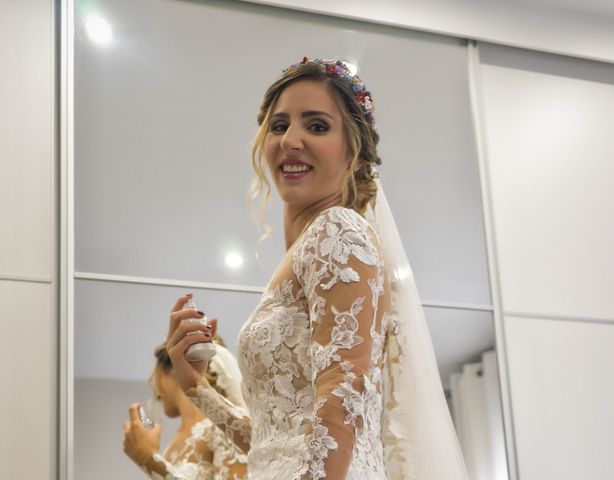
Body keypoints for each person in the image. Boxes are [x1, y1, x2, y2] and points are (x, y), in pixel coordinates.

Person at [164, 57, 469, 479]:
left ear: (354, 153)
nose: (291, 139)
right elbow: (275, 446)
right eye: (279, 125)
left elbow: (342, 407)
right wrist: (195, 388)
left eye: (317, 126)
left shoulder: (338, 232)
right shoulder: (307, 251)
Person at [123, 337, 248, 479]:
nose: (156, 392)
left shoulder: (225, 428)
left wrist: (149, 459)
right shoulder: (172, 444)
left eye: (156, 375)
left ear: (175, 368)